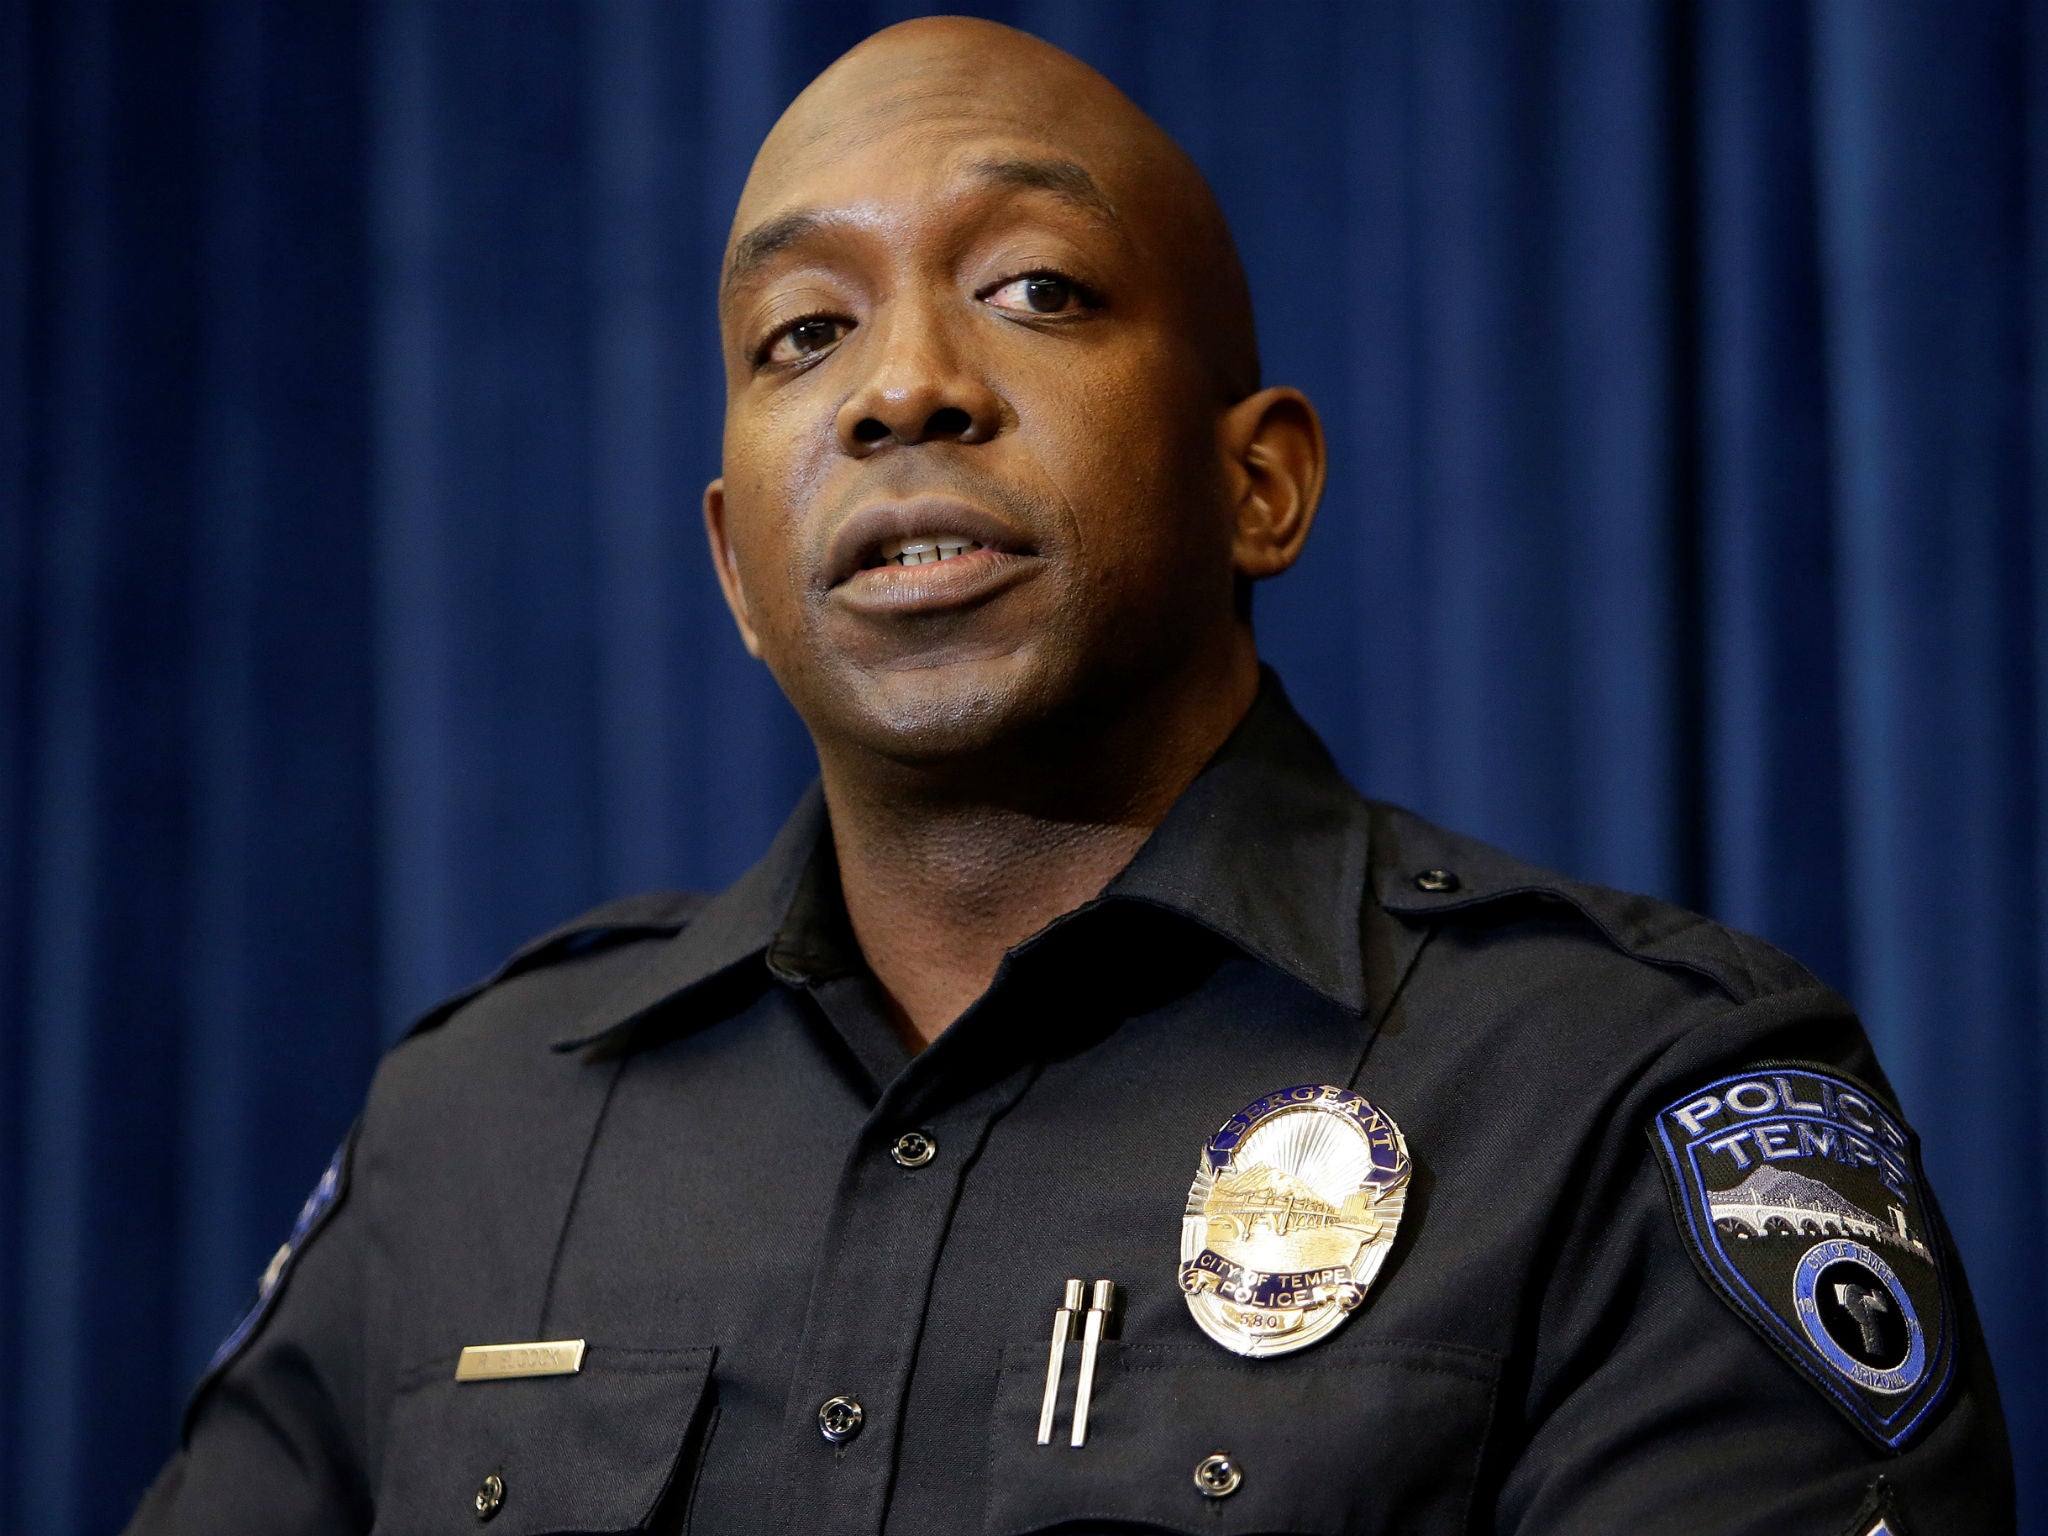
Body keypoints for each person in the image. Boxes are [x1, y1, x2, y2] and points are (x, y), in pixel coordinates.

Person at [128, 17, 2011, 1535]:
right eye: (805, 332)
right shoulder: (480, 1124)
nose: (902, 389)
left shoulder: (1632, 1099)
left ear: (1257, 481)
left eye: (1033, 290)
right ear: (735, 571)